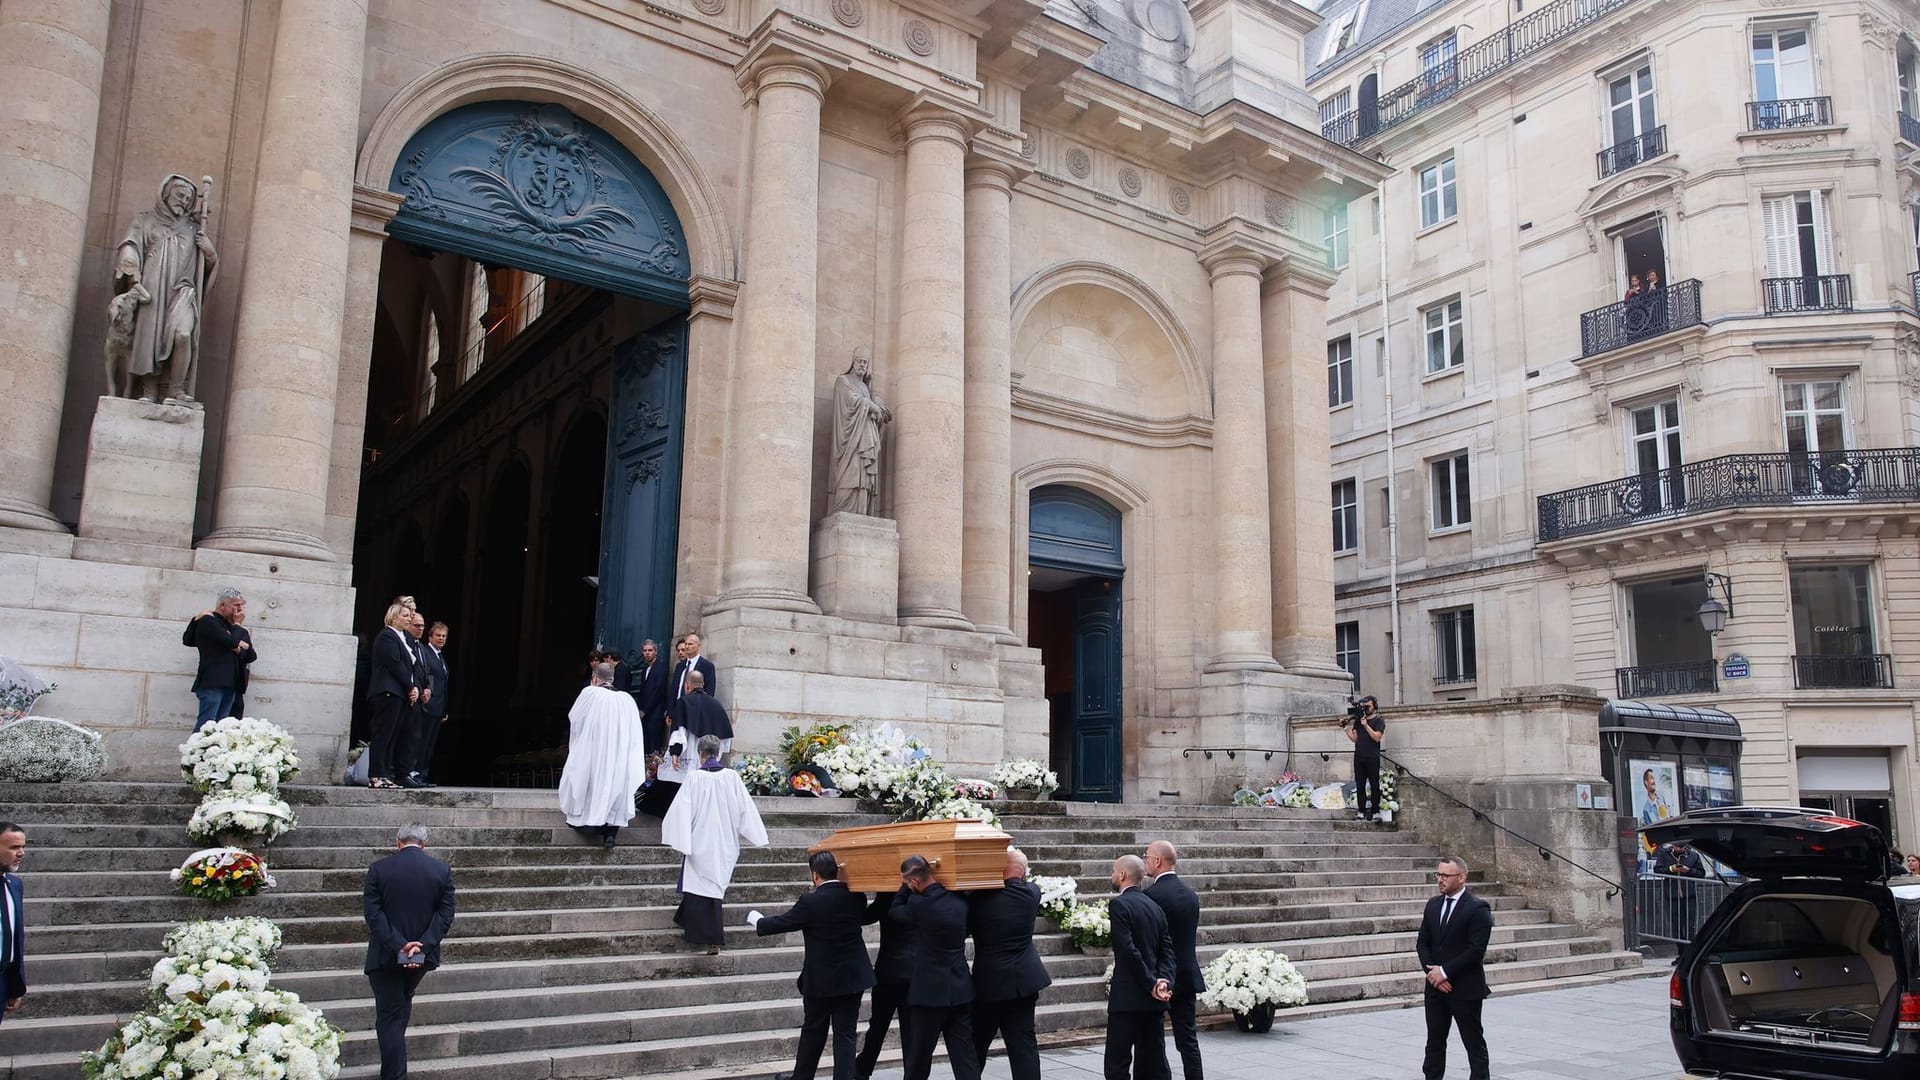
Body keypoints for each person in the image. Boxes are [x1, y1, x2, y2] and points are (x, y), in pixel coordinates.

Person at [748, 851, 876, 1080]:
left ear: (815, 875)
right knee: (846, 1034)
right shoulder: (857, 898)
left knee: (813, 1032)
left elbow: (784, 922)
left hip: (821, 981)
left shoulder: (811, 902)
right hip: (851, 977)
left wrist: (758, 921)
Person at [111, 173, 216, 404]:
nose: (184, 201)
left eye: (188, 198)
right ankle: (148, 391)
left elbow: (204, 270)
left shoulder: (193, 229)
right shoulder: (144, 221)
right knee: (150, 336)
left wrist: (210, 254)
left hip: (183, 292)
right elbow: (130, 244)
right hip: (152, 289)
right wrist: (129, 259)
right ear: (166, 194)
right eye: (179, 195)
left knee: (183, 333)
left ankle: (176, 390)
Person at [362, 823, 456, 1080]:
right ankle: (393, 1069)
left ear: (397, 841)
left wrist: (399, 945)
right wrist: (421, 946)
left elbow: (373, 914)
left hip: (385, 954)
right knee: (400, 1005)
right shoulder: (441, 871)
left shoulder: (379, 869)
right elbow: (445, 915)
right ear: (424, 844)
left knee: (391, 1014)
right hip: (422, 956)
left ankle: (394, 1075)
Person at [663, 734, 768, 953]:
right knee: (709, 885)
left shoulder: (693, 778)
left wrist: (681, 838)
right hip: (724, 840)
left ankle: (712, 938)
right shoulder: (732, 777)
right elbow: (745, 809)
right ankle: (685, 919)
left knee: (701, 886)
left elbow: (681, 812)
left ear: (700, 754)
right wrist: (755, 835)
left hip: (699, 839)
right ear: (717, 753)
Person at [968, 847, 1050, 1080]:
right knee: (1023, 1044)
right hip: (1025, 981)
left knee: (978, 1042)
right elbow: (1024, 882)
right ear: (1023, 873)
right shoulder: (1032, 894)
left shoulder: (979, 900)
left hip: (990, 982)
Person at [899, 854, 982, 1080]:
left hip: (929, 994)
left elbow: (894, 912)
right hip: (960, 988)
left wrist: (904, 888)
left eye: (909, 883)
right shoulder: (960, 901)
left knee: (919, 1057)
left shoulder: (918, 904)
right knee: (964, 1055)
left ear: (914, 882)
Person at [557, 661, 650, 847]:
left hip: (593, 751)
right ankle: (610, 834)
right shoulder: (627, 700)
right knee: (614, 786)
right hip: (618, 755)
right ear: (613, 678)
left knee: (591, 784)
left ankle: (590, 825)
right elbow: (634, 732)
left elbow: (575, 719)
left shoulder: (590, 693)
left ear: (594, 678)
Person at [1417, 856, 1493, 1080]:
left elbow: (1475, 951)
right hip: (1435, 988)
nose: (1440, 880)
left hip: (1465, 988)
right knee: (1434, 1042)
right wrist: (1432, 973)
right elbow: (1423, 942)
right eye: (1438, 875)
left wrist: (1445, 972)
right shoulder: (1433, 905)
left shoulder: (1478, 908)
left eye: (1445, 876)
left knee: (1473, 1043)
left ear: (1461, 877)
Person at [1106, 854, 1174, 1080]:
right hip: (1154, 1000)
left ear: (1123, 875)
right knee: (1153, 1062)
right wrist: (1163, 981)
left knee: (1117, 1063)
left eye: (1114, 871)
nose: (1113, 875)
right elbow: (1167, 951)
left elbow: (1127, 950)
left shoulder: (1119, 904)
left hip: (1128, 999)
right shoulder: (1155, 907)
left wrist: (1151, 983)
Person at [1144, 841, 1203, 1080]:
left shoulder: (1152, 896)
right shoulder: (1190, 894)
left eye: (1147, 856)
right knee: (1188, 1039)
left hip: (1161, 977)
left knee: (1153, 1038)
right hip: (1187, 974)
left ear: (1158, 861)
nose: (1145, 860)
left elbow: (1150, 940)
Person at [855, 881, 918, 1080]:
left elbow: (865, 917)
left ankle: (862, 1070)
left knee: (878, 1025)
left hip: (889, 971)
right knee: (911, 1030)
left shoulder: (887, 899)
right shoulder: (924, 899)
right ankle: (912, 1074)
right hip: (915, 972)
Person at [829, 346, 893, 516]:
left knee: (864, 477)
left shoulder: (865, 388)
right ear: (853, 362)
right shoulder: (843, 381)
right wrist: (871, 405)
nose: (862, 365)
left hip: (866, 436)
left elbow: (869, 406)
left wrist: (879, 408)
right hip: (851, 440)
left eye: (865, 363)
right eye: (860, 361)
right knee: (851, 472)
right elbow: (851, 401)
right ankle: (845, 509)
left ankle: (862, 511)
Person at [366, 601, 422, 789]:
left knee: (392, 736)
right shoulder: (387, 636)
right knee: (383, 735)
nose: (409, 619)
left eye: (409, 615)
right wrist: (411, 686)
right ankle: (376, 775)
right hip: (388, 692)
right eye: (405, 616)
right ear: (393, 617)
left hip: (399, 694)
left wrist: (413, 687)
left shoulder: (401, 637)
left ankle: (385, 774)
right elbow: (396, 665)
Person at [183, 587, 255, 731]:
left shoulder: (235, 627)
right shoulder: (210, 621)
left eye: (242, 605)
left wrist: (237, 643)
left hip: (233, 684)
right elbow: (231, 642)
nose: (240, 610)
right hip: (213, 682)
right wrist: (236, 637)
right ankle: (197, 753)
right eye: (236, 605)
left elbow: (251, 655)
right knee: (207, 726)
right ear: (223, 605)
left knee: (222, 728)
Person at [414, 620, 450, 787]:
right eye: (438, 635)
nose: (441, 638)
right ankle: (416, 774)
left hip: (437, 708)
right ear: (430, 636)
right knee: (420, 743)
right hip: (427, 706)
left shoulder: (440, 656)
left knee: (429, 745)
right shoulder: (425, 652)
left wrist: (444, 709)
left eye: (444, 636)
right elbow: (426, 677)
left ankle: (423, 774)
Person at [670, 669, 734, 756]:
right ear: (703, 684)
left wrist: (675, 753)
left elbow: (679, 730)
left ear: (687, 685)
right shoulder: (716, 703)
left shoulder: (684, 702)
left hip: (689, 753)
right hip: (710, 756)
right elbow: (723, 736)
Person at [1345, 696, 1385, 822]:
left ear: (1374, 707)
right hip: (1359, 756)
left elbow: (1377, 738)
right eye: (1364, 707)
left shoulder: (1379, 720)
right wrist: (1345, 728)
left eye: (1368, 707)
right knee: (1360, 785)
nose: (1366, 709)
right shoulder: (1358, 721)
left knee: (1374, 785)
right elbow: (1355, 739)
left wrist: (1366, 725)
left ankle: (1375, 811)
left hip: (1372, 757)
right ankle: (1361, 811)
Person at [1, 823, 26, 1027]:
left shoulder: (14, 884)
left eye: (22, 847)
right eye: (13, 847)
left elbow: (16, 937)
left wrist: (15, 986)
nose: (21, 853)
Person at [633, 637, 670, 756]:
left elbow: (658, 691)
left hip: (656, 713)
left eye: (650, 650)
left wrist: (645, 710)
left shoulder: (661, 668)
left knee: (654, 746)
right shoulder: (645, 670)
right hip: (645, 714)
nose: (647, 653)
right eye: (645, 651)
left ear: (655, 652)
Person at [672, 632, 717, 701]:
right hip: (678, 707)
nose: (687, 646)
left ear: (698, 646)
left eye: (690, 644)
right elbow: (674, 689)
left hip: (695, 707)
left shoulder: (707, 666)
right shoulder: (679, 666)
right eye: (686, 644)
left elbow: (709, 692)